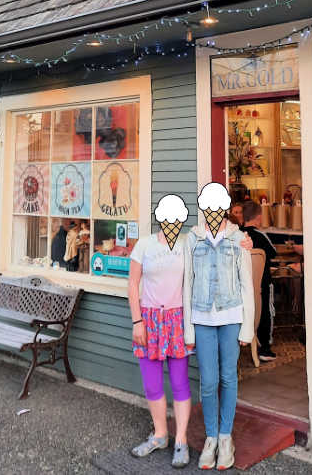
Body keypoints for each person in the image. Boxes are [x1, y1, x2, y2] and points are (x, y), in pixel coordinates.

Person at [183, 183, 254, 471]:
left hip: (231, 316)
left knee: (228, 378)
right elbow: (187, 283)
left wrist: (247, 328)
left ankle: (226, 437)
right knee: (209, 381)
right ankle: (211, 437)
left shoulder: (239, 240)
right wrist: (189, 330)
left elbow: (247, 284)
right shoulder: (193, 239)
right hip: (202, 318)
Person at [128, 195, 192, 468]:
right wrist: (137, 321)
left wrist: (243, 239)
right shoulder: (145, 245)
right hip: (149, 319)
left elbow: (220, 239)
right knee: (152, 382)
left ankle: (181, 440)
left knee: (180, 382)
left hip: (177, 318)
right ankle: (160, 435)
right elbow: (133, 284)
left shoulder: (187, 244)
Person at [242, 200, 277, 361]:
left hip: (242, 285)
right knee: (266, 311)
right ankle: (265, 347)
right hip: (262, 283)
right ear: (259, 217)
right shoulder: (261, 236)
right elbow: (273, 253)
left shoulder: (237, 235)